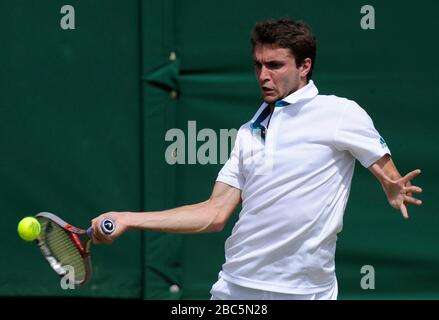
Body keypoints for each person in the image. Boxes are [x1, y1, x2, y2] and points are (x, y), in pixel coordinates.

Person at [91, 18, 423, 300]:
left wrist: (391, 186)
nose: (263, 75)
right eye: (258, 65)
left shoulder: (339, 113)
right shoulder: (249, 132)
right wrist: (129, 219)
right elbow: (214, 213)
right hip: (237, 288)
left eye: (275, 65)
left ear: (304, 66)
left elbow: (387, 172)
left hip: (308, 292)